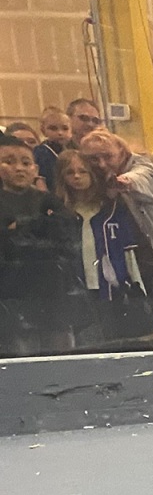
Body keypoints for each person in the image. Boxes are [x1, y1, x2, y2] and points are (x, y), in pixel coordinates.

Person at [78, 129, 153, 332]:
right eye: (93, 159)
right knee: (144, 320)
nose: (101, 164)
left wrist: (123, 182)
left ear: (121, 151)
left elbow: (141, 178)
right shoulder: (97, 177)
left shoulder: (144, 166)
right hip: (140, 257)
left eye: (107, 156)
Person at [55, 147, 153, 344]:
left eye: (82, 171)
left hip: (113, 290)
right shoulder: (60, 212)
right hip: (78, 290)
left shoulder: (113, 209)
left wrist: (137, 285)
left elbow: (129, 253)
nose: (76, 176)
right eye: (70, 172)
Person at [0, 133, 75, 353]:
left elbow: (65, 233)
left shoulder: (48, 201)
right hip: (11, 292)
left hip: (51, 289)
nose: (19, 168)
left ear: (35, 169)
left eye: (26, 163)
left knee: (61, 350)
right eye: (9, 162)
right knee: (21, 351)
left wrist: (20, 227)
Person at [34, 108, 71, 192]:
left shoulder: (71, 152)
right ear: (43, 131)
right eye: (53, 128)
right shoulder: (40, 153)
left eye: (65, 128)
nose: (60, 133)